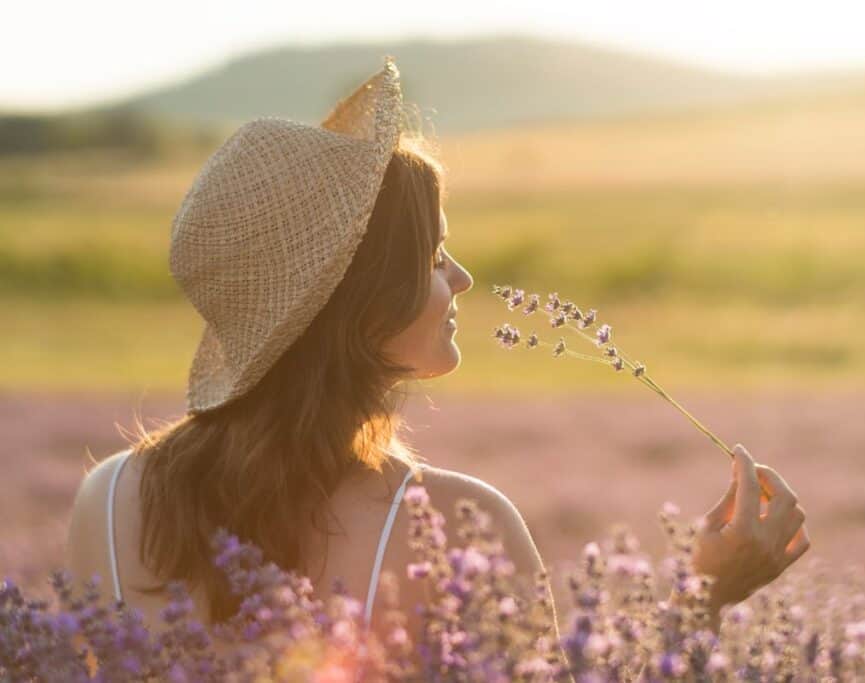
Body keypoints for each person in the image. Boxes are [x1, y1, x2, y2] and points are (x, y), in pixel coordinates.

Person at [64, 57, 808, 662]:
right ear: (362, 302)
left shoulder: (107, 499)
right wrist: (706, 596)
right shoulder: (455, 527)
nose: (462, 279)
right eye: (433, 255)